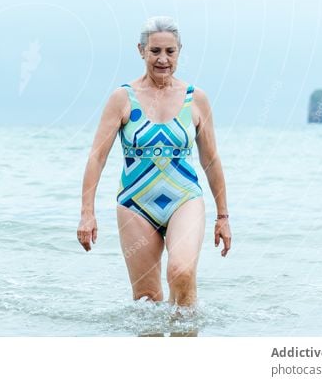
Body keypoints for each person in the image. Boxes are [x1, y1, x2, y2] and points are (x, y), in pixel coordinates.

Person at [77, 16, 231, 307]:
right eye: (155, 51)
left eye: (170, 52)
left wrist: (223, 217)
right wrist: (87, 213)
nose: (163, 59)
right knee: (147, 300)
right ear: (141, 51)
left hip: (184, 199)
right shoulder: (123, 98)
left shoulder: (195, 99)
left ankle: (187, 342)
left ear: (179, 51)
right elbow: (97, 157)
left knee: (182, 273)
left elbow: (210, 159)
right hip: (135, 204)